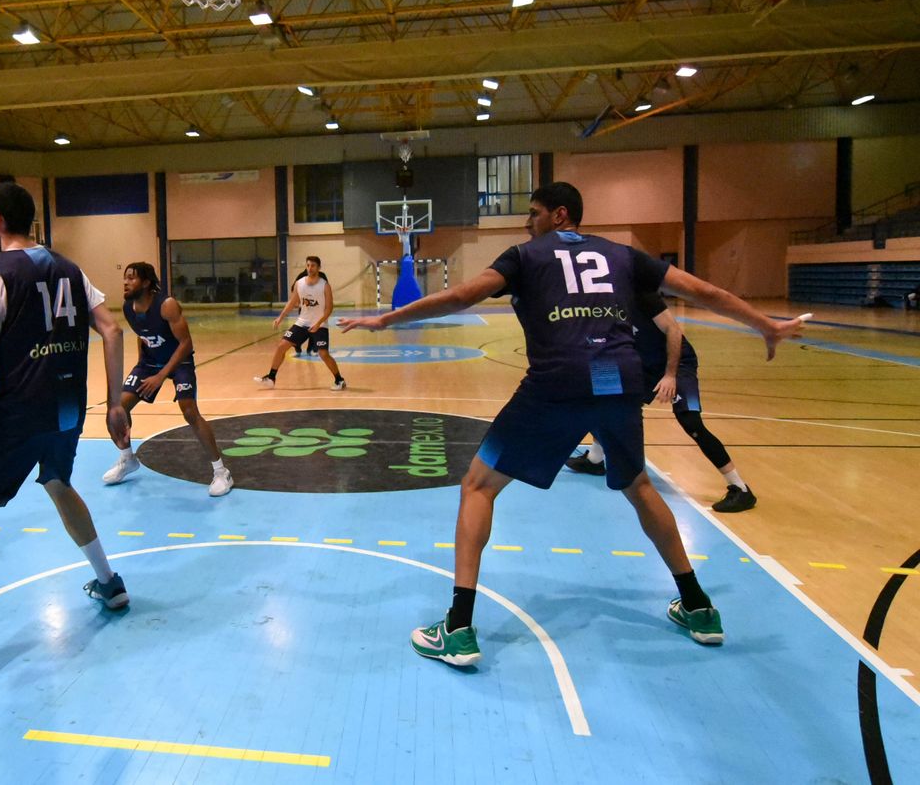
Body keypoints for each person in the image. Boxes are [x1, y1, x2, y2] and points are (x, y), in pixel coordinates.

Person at [339, 182, 804, 667]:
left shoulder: (525, 256)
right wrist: (764, 324)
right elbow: (703, 291)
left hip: (556, 383)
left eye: (534, 214)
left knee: (478, 486)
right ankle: (699, 607)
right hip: (617, 381)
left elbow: (461, 296)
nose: (528, 223)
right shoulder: (624, 256)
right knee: (639, 485)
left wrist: (389, 320)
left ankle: (457, 628)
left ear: (561, 215)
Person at [0, 180, 130, 693]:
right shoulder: (70, 269)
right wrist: (117, 402)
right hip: (67, 406)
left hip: (16, 411)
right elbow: (114, 330)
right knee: (57, 482)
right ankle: (109, 584)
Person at [566, 292, 758, 513]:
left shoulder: (640, 296)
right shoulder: (592, 308)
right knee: (600, 398)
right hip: (641, 364)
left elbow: (673, 331)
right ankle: (595, 459)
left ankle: (740, 489)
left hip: (677, 363)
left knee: (690, 421)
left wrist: (670, 375)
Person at [101, 261, 234, 497]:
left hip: (179, 361)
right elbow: (142, 337)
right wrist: (143, 367)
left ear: (146, 282)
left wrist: (161, 376)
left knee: (189, 412)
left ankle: (221, 472)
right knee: (118, 408)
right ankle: (127, 458)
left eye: (131, 278)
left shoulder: (167, 305)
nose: (125, 282)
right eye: (125, 277)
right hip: (150, 363)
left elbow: (186, 344)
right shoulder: (128, 307)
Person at [255, 256, 345, 391]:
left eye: (313, 266)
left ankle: (339, 380)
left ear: (319, 268)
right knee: (281, 346)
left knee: (323, 354)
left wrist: (319, 323)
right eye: (308, 265)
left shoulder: (325, 286)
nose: (310, 268)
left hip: (319, 324)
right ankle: (271, 378)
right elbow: (292, 303)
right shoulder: (300, 283)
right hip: (302, 322)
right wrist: (280, 317)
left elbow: (329, 308)